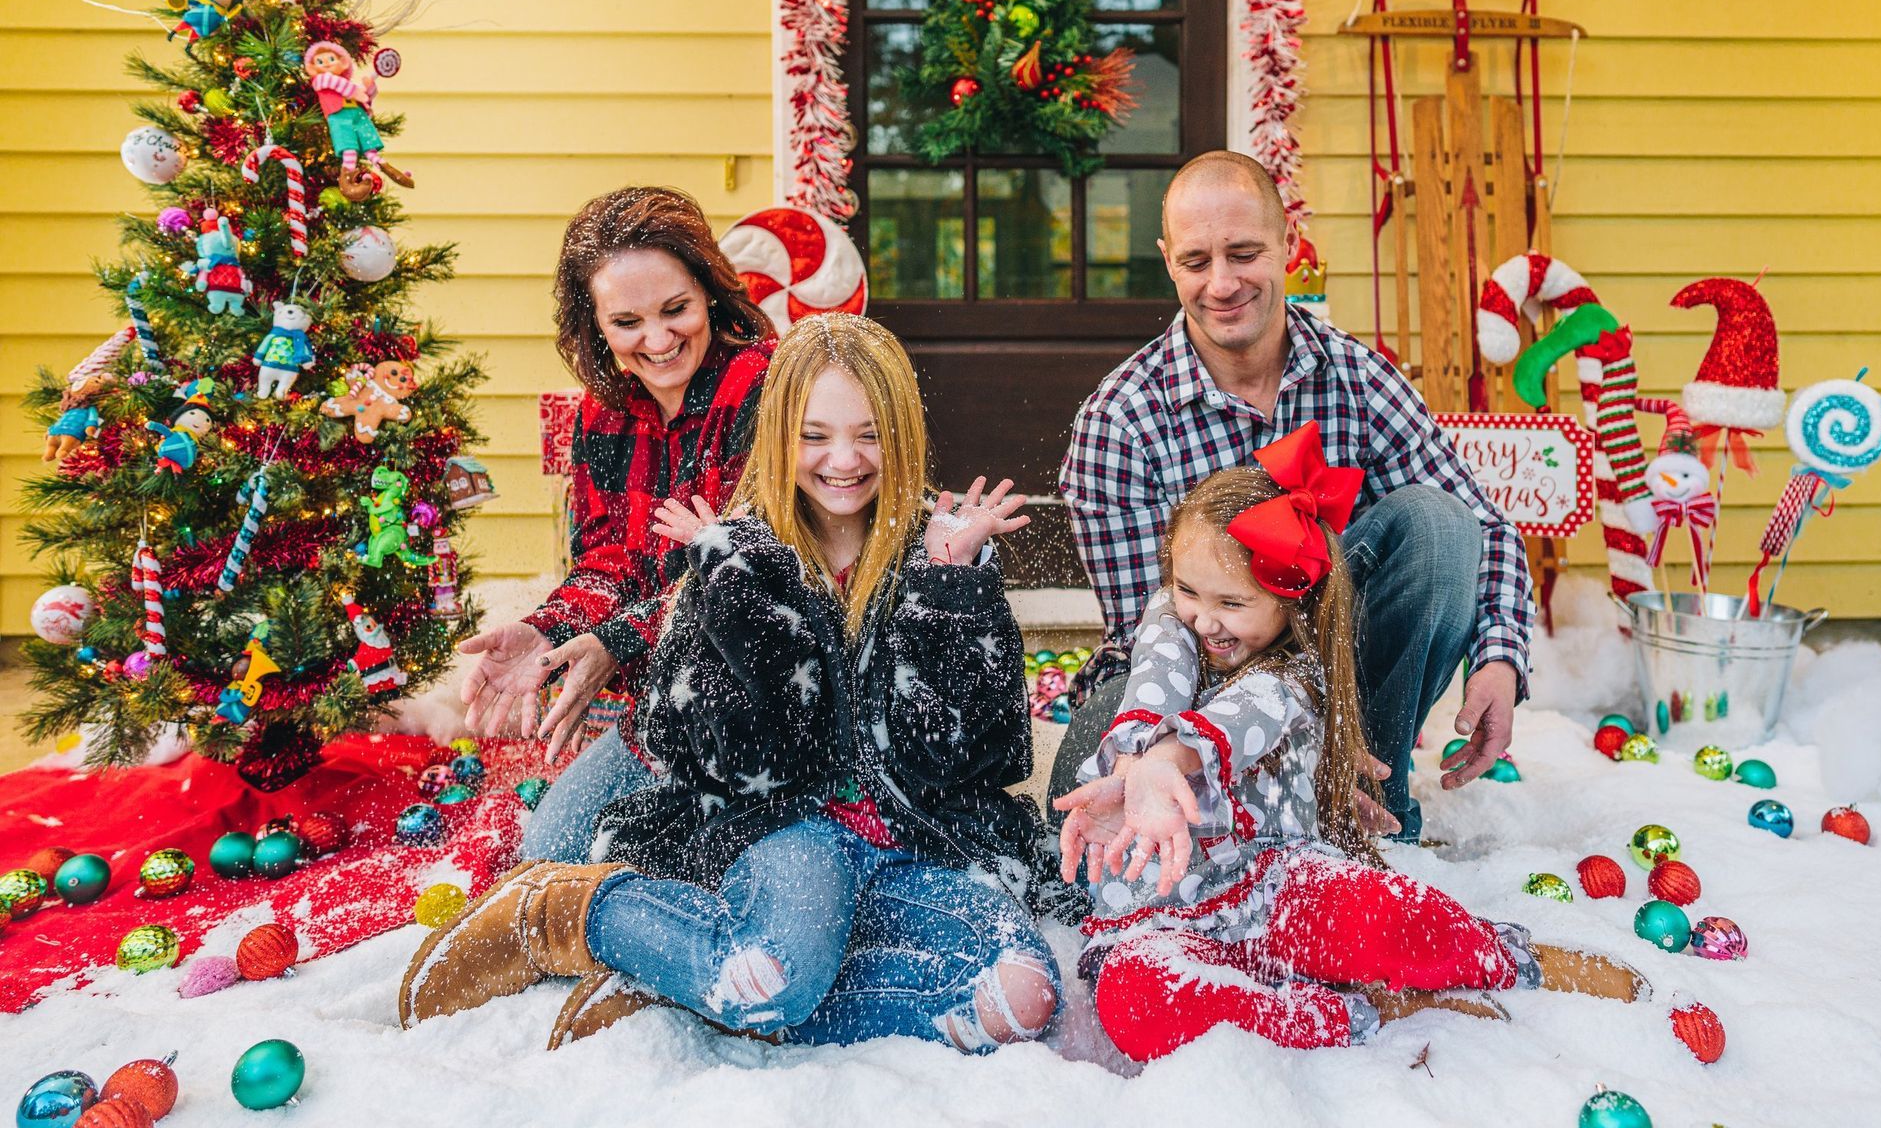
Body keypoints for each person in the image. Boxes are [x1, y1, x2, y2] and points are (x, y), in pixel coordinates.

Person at [400, 315, 1063, 1053]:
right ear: (779, 437)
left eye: (869, 433)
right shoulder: (736, 560)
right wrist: (742, 595)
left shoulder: (943, 556)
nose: (843, 460)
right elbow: (732, 763)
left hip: (910, 843)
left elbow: (985, 756)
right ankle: (564, 914)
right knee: (777, 974)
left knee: (1023, 998)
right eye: (814, 435)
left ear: (902, 434)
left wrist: (949, 590)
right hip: (786, 834)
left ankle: (688, 985)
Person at [1054, 435, 1646, 1061]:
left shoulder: (1295, 681)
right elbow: (1156, 675)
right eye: (1189, 591)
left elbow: (1243, 713)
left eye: (1233, 602)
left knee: (1377, 914)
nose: (1203, 619)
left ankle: (1500, 958)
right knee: (1138, 1005)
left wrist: (1171, 762)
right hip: (1163, 921)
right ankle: (1355, 1011)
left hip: (1274, 885)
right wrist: (1133, 766)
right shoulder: (1172, 626)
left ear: (1293, 605)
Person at [1054, 150, 1534, 840]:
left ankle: (1372, 799)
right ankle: (1294, 799)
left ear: (1288, 243)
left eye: (1244, 252)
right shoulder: (1118, 421)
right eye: (1195, 262)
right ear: (1167, 261)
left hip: (1346, 668)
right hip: (1197, 677)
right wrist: (1271, 743)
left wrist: (1499, 658)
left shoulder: (1359, 377)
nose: (1221, 284)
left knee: (1436, 525)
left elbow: (1482, 532)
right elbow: (1158, 635)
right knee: (1075, 797)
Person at [457, 186, 775, 861]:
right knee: (554, 851)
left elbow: (756, 572)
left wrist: (617, 641)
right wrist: (549, 629)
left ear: (709, 292)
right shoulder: (601, 414)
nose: (658, 340)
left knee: (703, 863)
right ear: (594, 325)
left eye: (676, 310)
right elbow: (608, 563)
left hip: (763, 699)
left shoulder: (761, 386)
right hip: (664, 711)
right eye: (627, 322)